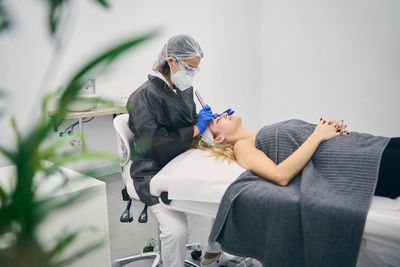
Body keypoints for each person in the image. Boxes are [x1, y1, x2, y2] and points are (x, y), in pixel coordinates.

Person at [193, 113, 399, 266]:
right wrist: (317, 135)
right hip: (357, 163)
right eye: (218, 120)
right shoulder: (242, 147)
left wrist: (331, 130)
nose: (224, 114)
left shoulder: (259, 132)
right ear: (219, 139)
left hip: (363, 145)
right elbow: (281, 175)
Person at [126, 34, 232, 267]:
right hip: (152, 170)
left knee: (222, 198)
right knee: (175, 231)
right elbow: (155, 145)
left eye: (195, 69)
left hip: (183, 160)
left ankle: (213, 253)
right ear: (171, 62)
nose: (192, 74)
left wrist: (210, 122)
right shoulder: (142, 97)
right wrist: (197, 127)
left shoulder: (184, 90)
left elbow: (189, 122)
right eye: (189, 68)